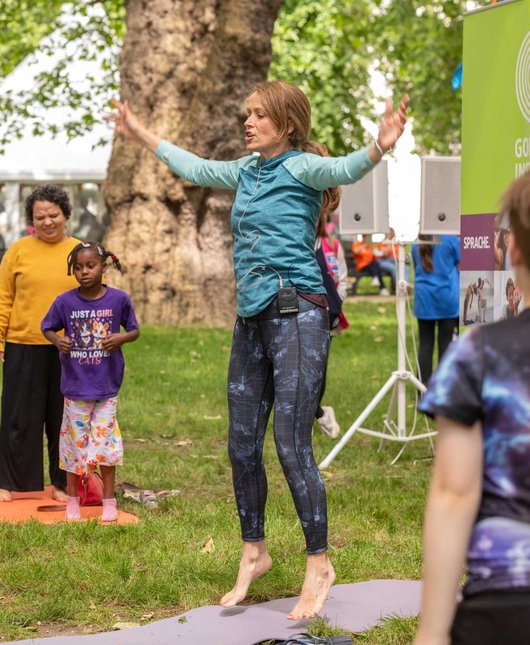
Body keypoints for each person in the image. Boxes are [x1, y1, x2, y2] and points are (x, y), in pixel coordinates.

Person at [111, 80, 409, 619]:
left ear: (287, 125)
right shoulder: (246, 171)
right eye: (246, 113)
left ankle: (319, 563)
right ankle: (255, 549)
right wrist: (138, 133)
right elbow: (197, 168)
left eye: (259, 116)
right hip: (252, 317)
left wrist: (380, 145)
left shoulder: (302, 168)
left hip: (298, 313)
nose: (248, 123)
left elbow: (344, 168)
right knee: (241, 443)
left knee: (291, 443)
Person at [414, 161, 530, 645]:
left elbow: (454, 494)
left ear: (512, 249)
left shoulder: (475, 352)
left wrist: (432, 632)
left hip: (510, 607)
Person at [0, 185, 82, 503]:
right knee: (19, 417)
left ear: (65, 215)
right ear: (32, 219)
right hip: (23, 343)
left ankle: (62, 483)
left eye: (54, 215)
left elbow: (98, 296)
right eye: (40, 216)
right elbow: (3, 299)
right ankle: (11, 483)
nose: (48, 221)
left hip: (69, 349)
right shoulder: (17, 251)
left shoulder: (82, 251)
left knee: (63, 419)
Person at [41, 241, 139, 522]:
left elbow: (133, 330)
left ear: (104, 266)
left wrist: (120, 338)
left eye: (90, 266)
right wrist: (58, 340)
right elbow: (47, 326)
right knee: (74, 446)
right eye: (78, 267)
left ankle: (109, 501)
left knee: (106, 446)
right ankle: (73, 501)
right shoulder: (65, 302)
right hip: (75, 387)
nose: (84, 272)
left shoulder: (118, 300)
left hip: (106, 388)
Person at [313, 208, 348, 438]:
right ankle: (318, 414)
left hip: (326, 316)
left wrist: (336, 305)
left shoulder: (332, 246)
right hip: (299, 313)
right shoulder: (294, 245)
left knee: (318, 370)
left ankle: (315, 412)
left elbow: (342, 279)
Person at [411, 234, 460, 386]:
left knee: (425, 343)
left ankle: (422, 388)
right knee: (446, 343)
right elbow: (461, 266)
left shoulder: (416, 242)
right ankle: (442, 388)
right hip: (447, 298)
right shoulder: (451, 240)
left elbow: (415, 266)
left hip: (424, 300)